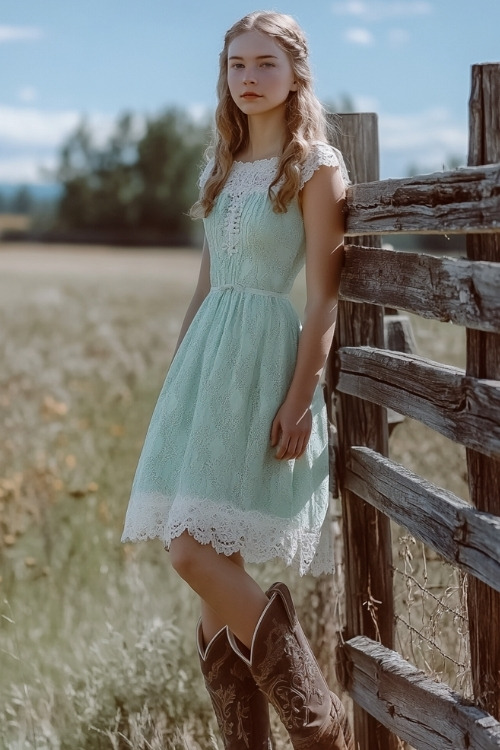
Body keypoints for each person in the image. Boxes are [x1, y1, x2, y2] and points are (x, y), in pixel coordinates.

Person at [122, 10, 353, 750]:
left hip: (262, 362)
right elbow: (204, 285)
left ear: (295, 76)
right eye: (236, 65)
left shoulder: (315, 166)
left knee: (190, 550)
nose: (248, 79)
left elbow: (323, 297)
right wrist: (177, 382)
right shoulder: (218, 167)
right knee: (210, 558)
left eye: (264, 65)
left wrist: (298, 398)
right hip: (204, 367)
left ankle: (318, 719)